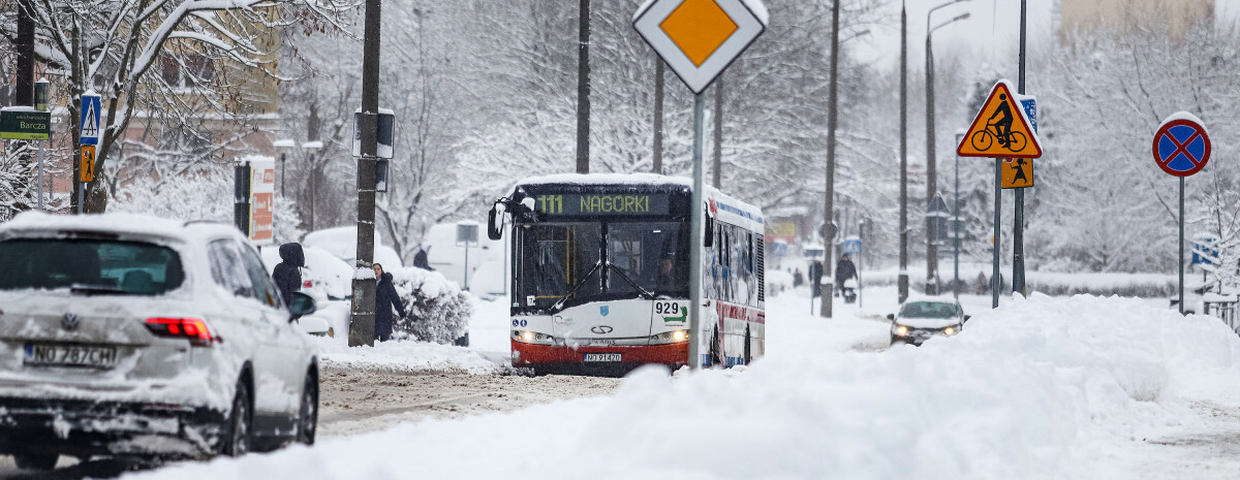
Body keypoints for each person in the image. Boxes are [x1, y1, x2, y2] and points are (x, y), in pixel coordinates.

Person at [373, 263, 406, 342]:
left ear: (381, 270)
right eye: (374, 269)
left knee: (385, 339)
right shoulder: (369, 282)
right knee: (373, 339)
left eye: (378, 269)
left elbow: (394, 297)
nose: (376, 271)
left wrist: (401, 311)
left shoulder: (386, 282)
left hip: (385, 313)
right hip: (374, 314)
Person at [272, 243, 304, 307]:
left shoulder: (278, 267)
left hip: (277, 305)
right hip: (287, 308)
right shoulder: (293, 271)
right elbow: (294, 293)